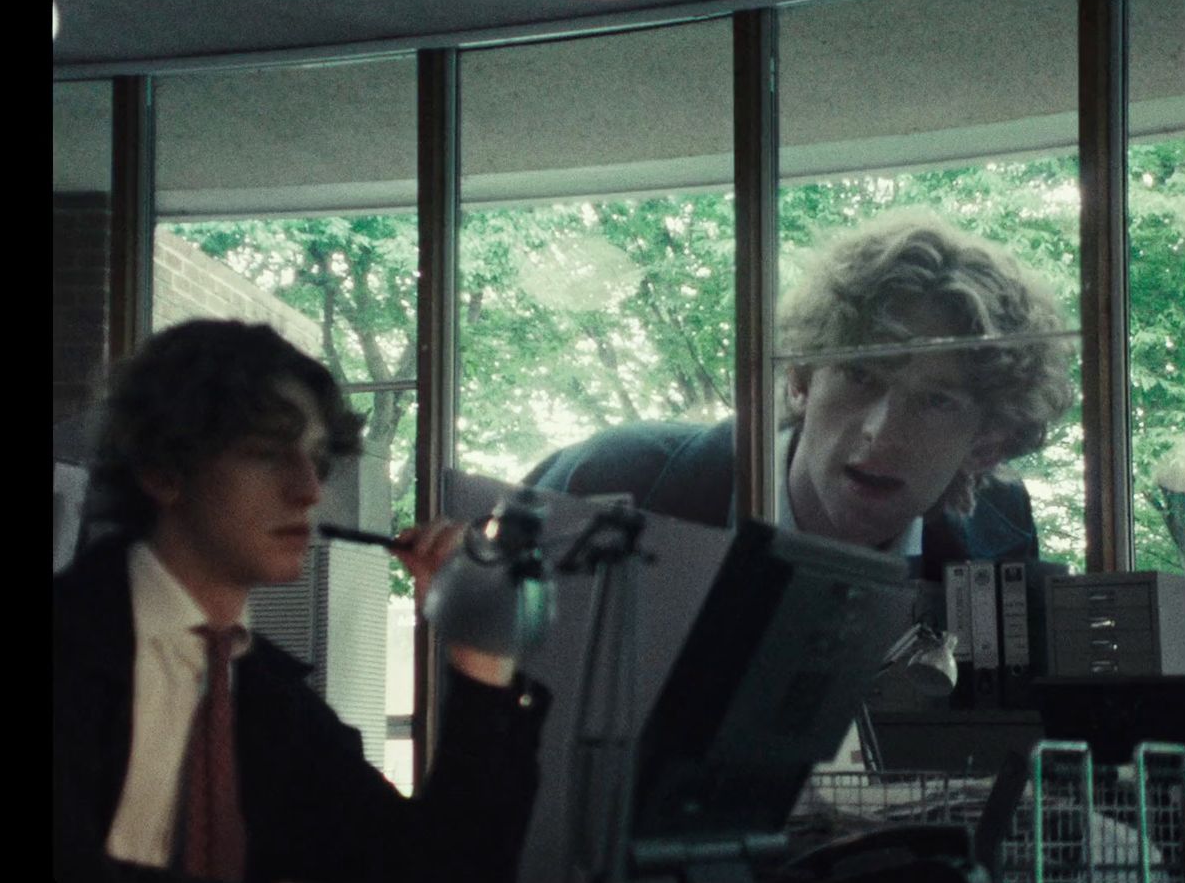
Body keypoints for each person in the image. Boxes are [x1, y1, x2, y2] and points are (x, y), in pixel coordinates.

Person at [53, 320, 550, 883]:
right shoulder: (70, 652)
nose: (309, 489)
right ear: (163, 470)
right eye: (267, 453)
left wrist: (479, 657)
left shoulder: (275, 704)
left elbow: (439, 870)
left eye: (315, 457)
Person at [524, 209, 1074, 576]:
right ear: (801, 379)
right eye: (862, 376)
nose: (880, 431)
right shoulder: (615, 476)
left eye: (936, 401)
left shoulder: (998, 532)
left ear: (986, 445)